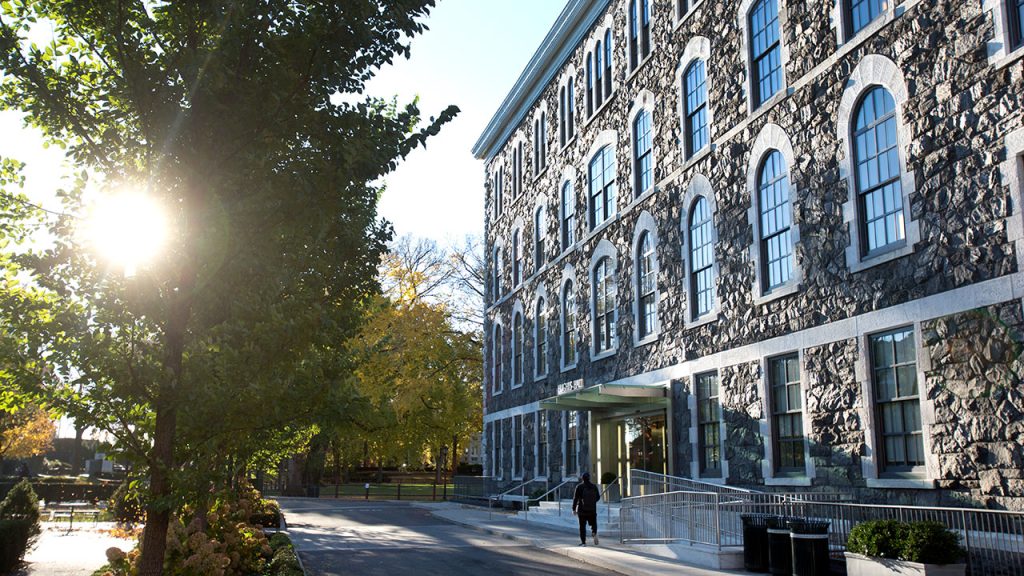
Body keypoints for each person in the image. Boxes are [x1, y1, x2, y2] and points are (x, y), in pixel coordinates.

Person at [571, 472, 601, 546]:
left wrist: (574, 509)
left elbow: (575, 498)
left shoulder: (579, 487)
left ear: (582, 478)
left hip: (582, 510)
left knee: (582, 527)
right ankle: (594, 532)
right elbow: (598, 497)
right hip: (592, 509)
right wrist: (592, 502)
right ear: (589, 478)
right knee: (593, 523)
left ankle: (583, 542)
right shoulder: (594, 487)